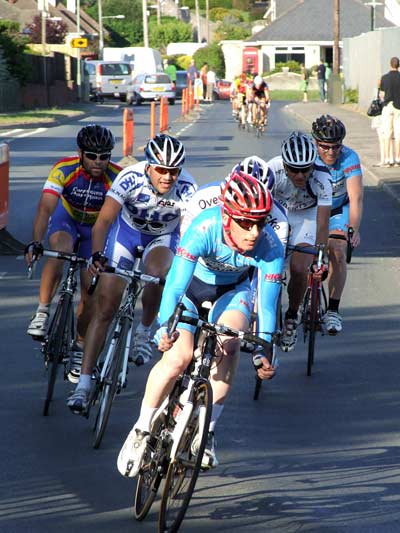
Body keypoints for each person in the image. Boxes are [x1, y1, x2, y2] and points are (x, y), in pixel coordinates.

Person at [117, 171, 285, 476]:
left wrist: (264, 350)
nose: (254, 232)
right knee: (178, 357)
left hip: (233, 292)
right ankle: (141, 429)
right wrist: (164, 327)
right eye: (246, 222)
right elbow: (175, 286)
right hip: (193, 288)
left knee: (230, 344)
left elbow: (268, 306)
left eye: (260, 223)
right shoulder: (204, 226)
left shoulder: (270, 246)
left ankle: (206, 433)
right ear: (227, 218)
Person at [67, 134, 197, 414]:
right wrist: (99, 255)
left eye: (173, 171)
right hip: (126, 234)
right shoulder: (129, 177)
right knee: (105, 308)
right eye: (162, 170)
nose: (168, 177)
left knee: (157, 273)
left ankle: (144, 330)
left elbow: (188, 237)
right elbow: (103, 221)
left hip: (162, 238)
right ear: (149, 166)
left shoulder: (188, 187)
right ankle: (84, 384)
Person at [25, 125, 121, 382]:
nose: (99, 162)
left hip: (95, 231)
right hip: (66, 219)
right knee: (60, 250)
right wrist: (36, 242)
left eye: (104, 156)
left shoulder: (117, 177)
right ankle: (43, 311)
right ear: (80, 153)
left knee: (90, 291)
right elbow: (45, 209)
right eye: (92, 155)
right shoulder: (64, 169)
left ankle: (79, 346)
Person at [267, 132, 332, 352]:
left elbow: (323, 222)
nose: (300, 175)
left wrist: (321, 255)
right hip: (279, 214)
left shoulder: (323, 177)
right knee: (267, 261)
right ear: (284, 165)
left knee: (299, 267)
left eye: (305, 169)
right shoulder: (271, 170)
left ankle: (292, 315)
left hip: (308, 217)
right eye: (294, 169)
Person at [312, 115, 363, 334]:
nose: (331, 152)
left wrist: (353, 229)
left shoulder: (349, 158)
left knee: (339, 251)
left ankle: (333, 310)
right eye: (325, 147)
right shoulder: (309, 156)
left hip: (337, 209)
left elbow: (356, 198)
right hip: (311, 208)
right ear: (316, 143)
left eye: (336, 147)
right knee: (304, 253)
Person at [180, 155, 289, 250]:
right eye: (245, 198)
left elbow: (273, 261)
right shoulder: (204, 196)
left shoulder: (280, 220)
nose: (253, 207)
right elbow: (185, 242)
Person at [379, 56, 400, 166]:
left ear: (390, 64)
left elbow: (381, 95)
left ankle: (387, 158)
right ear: (398, 65)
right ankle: (398, 158)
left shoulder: (384, 78)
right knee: (398, 133)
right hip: (399, 107)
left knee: (387, 133)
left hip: (387, 106)